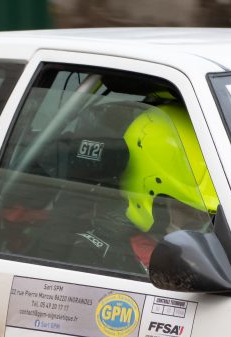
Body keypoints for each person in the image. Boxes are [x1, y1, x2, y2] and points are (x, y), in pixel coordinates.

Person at [72, 100, 219, 272]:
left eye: (206, 212)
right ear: (151, 199)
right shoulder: (96, 255)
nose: (202, 218)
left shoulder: (207, 256)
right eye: (187, 208)